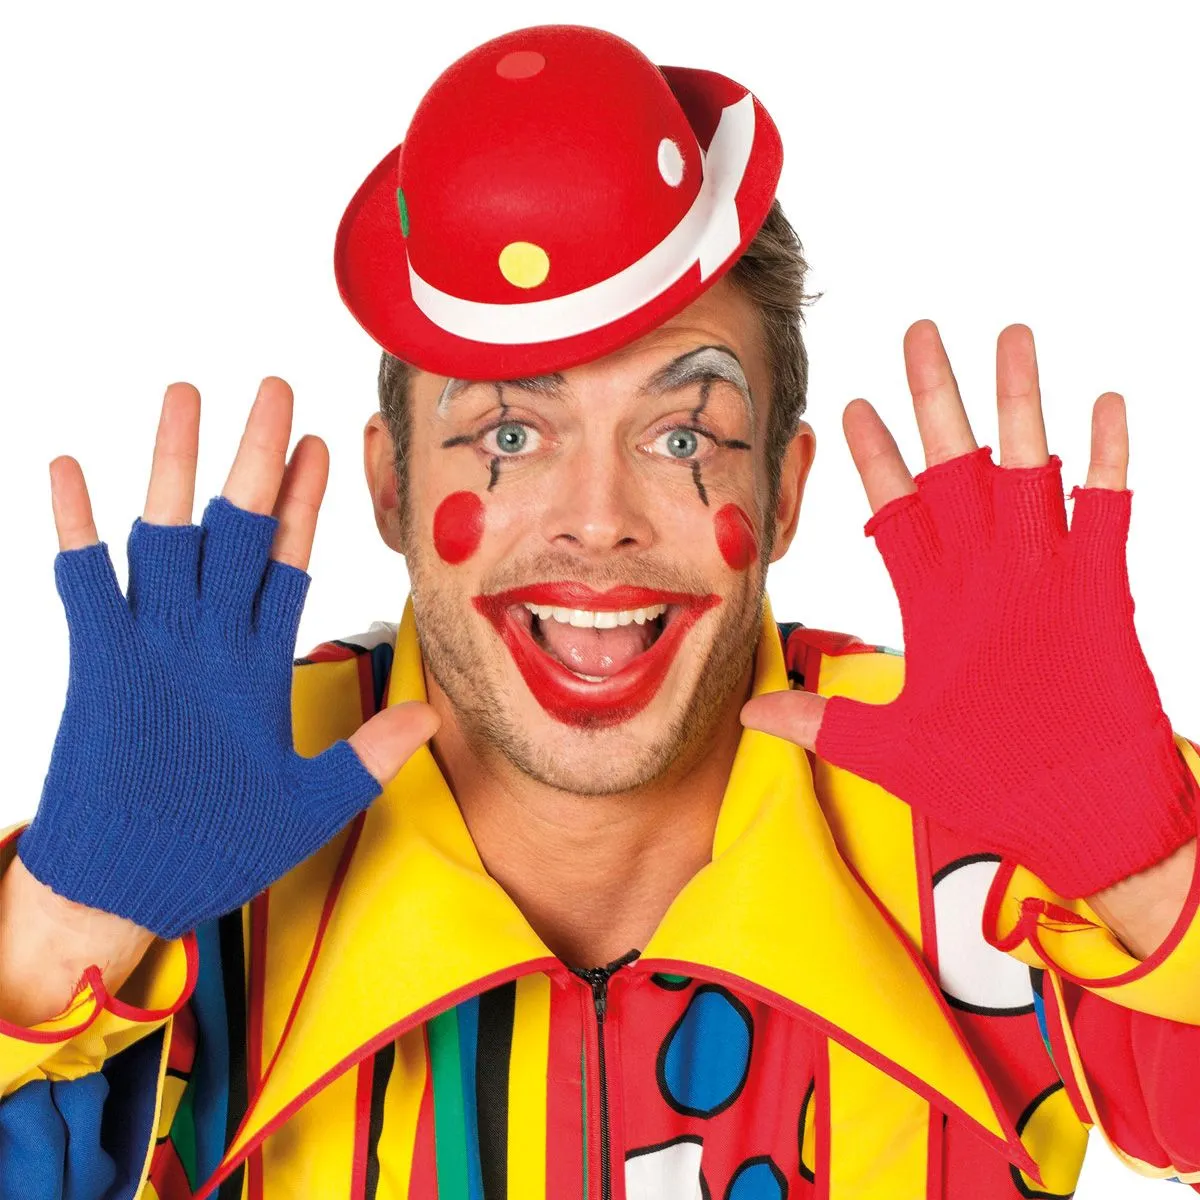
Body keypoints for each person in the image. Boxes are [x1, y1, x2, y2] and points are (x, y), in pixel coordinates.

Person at [1, 21, 1198, 1200]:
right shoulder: (188, 833)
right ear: (392, 489)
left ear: (784, 496)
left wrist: (1148, 869)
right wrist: (58, 938)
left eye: (683, 436)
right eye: (511, 434)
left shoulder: (990, 799)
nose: (597, 522)